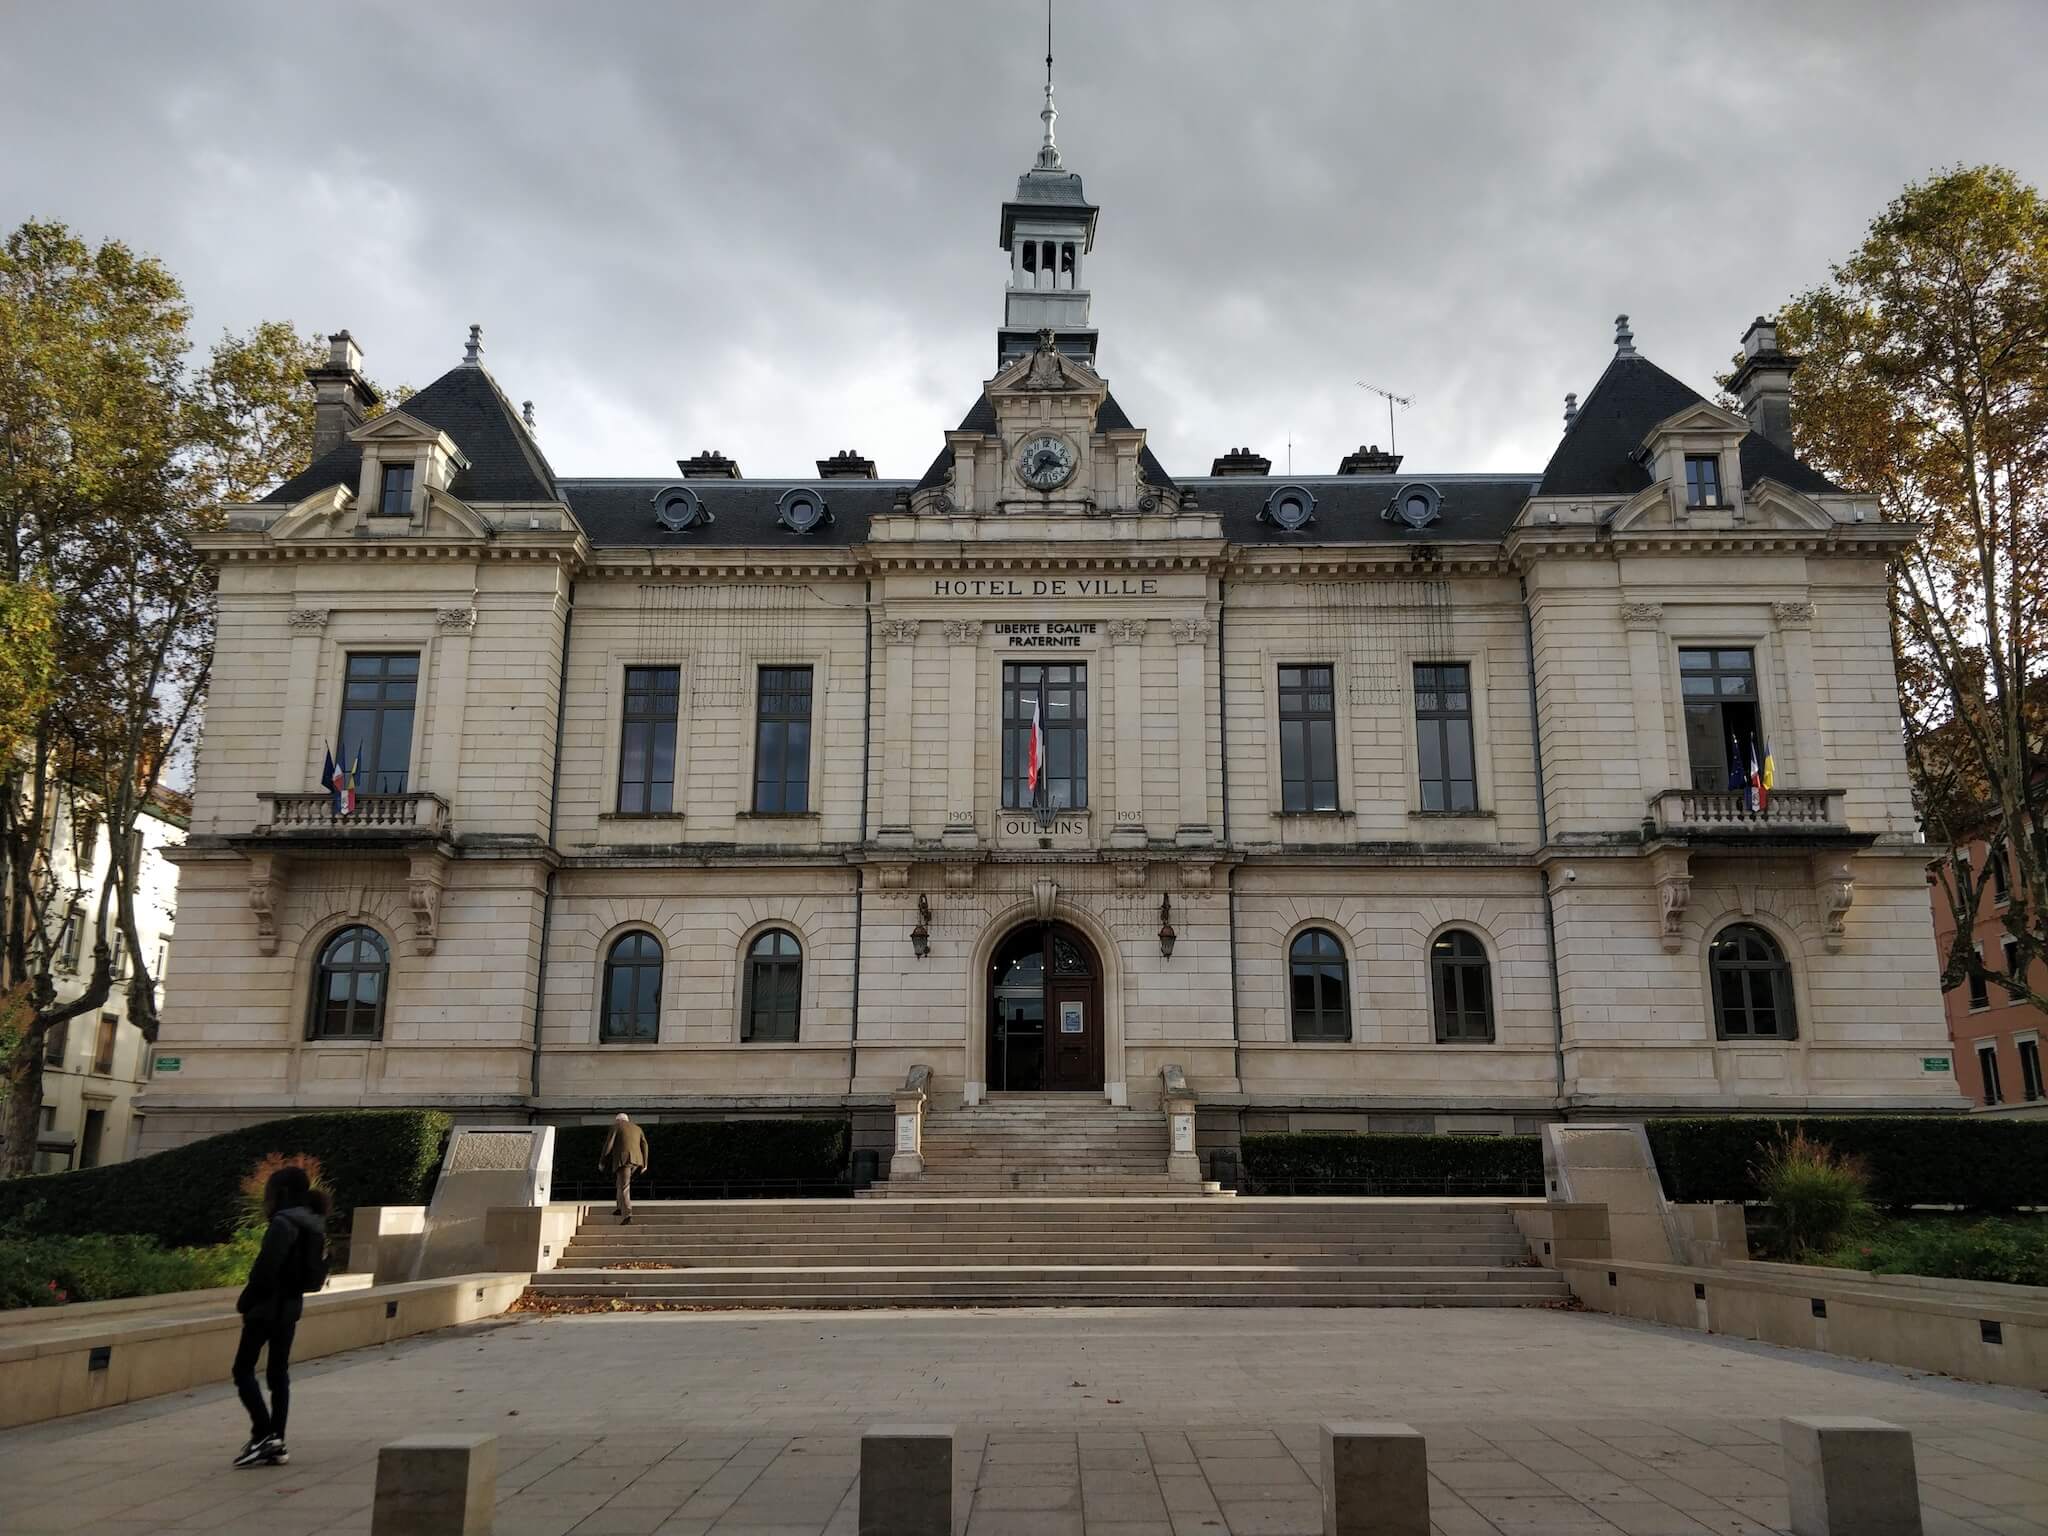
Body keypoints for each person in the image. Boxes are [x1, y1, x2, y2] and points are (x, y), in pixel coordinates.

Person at [230, 1164, 330, 1468]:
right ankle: (277, 1440)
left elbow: (265, 1269)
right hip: (290, 1309)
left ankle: (264, 1434)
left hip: (265, 1308)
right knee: (278, 1374)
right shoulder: (314, 1226)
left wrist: (245, 1302)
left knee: (243, 1370)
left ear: (281, 1193)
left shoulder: (283, 1224)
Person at [600, 1111, 649, 1223]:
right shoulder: (637, 1128)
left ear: (618, 1120)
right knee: (620, 1183)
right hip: (637, 1161)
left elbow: (609, 1144)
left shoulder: (616, 1126)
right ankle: (619, 1208)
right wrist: (645, 1164)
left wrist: (602, 1161)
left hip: (624, 1160)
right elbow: (645, 1145)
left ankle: (627, 1214)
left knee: (624, 1187)